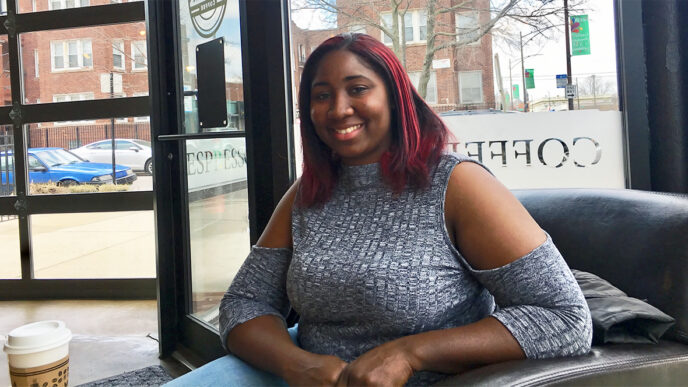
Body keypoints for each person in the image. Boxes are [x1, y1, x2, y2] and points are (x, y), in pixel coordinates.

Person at [166, 33, 592, 387]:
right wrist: (294, 363)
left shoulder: (457, 184)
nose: (338, 109)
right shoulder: (307, 192)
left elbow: (564, 318)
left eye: (358, 88)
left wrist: (410, 353)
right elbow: (244, 302)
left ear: (395, 96)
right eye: (321, 95)